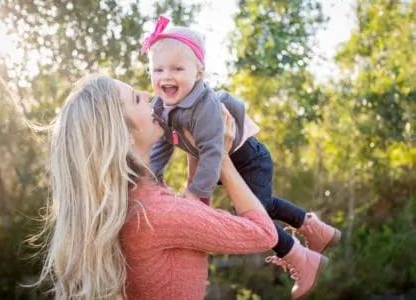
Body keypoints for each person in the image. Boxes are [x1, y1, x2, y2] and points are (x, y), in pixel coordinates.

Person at [143, 16, 341, 299]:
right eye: (157, 69)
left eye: (177, 68)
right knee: (266, 204)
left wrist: (196, 193)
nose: (165, 76)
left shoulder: (204, 105)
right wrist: (152, 177)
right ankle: (314, 228)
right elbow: (164, 143)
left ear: (199, 73)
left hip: (251, 161)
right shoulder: (161, 105)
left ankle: (305, 261)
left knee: (254, 217)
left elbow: (213, 151)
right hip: (230, 166)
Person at [36, 73, 283, 299]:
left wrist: (198, 147)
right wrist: (223, 160)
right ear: (125, 135)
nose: (146, 94)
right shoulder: (155, 214)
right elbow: (263, 233)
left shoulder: (133, 199)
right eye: (135, 98)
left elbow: (194, 214)